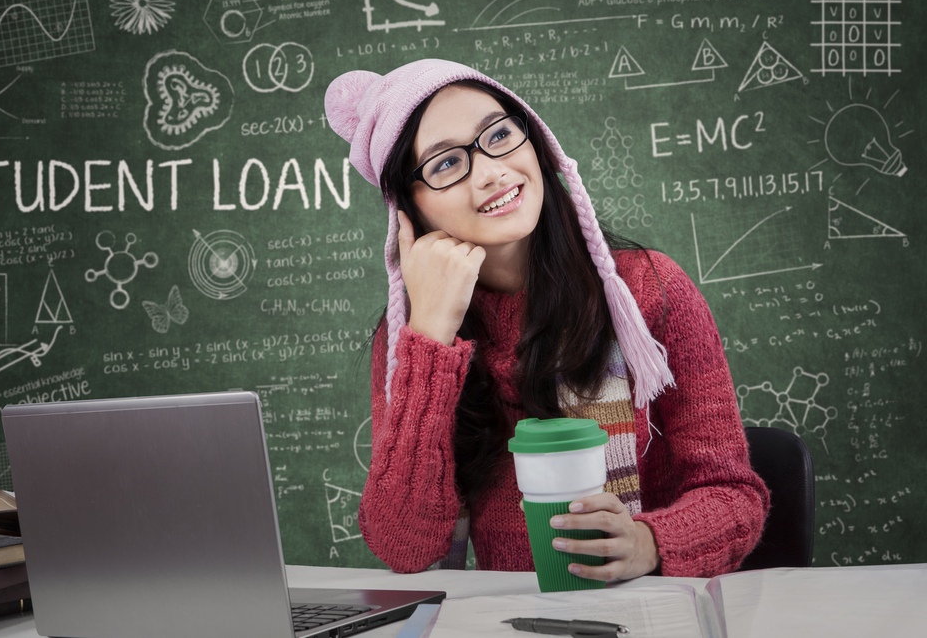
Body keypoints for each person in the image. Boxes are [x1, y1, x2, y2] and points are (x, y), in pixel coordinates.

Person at [324, 59, 769, 582]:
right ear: (408, 208)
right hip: (505, 621)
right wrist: (432, 339)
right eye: (445, 164)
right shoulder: (412, 341)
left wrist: (650, 542)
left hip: (648, 610)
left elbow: (735, 497)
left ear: (535, 141)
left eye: (499, 134)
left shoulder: (646, 291)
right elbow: (403, 547)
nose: (491, 171)